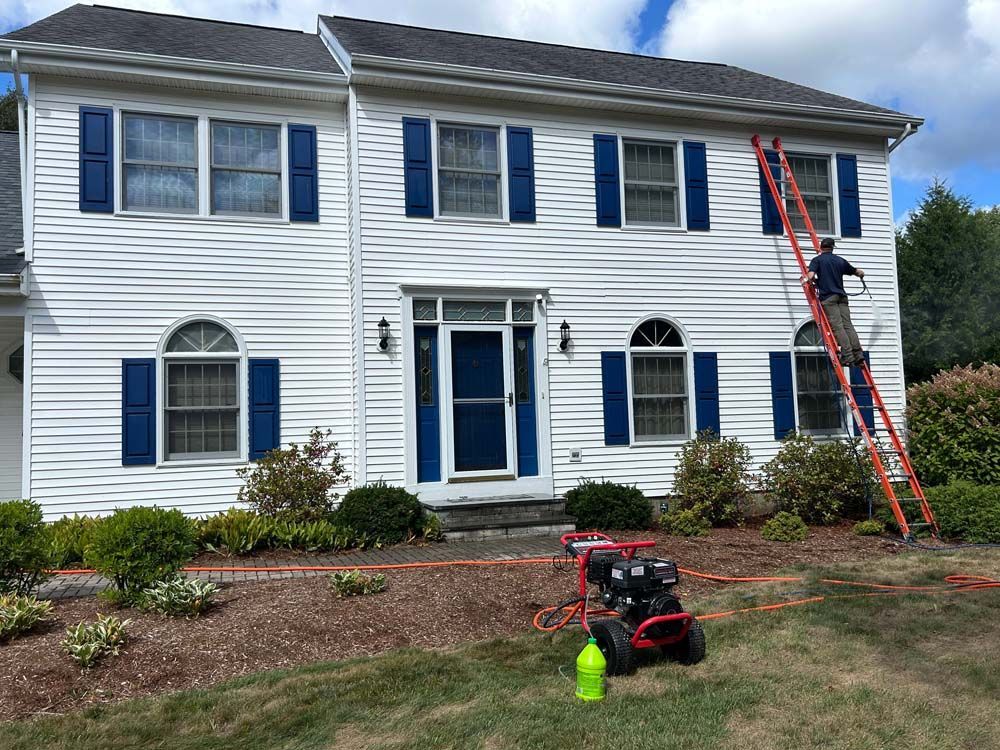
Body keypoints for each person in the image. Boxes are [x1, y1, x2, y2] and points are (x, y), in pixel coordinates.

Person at [806, 237, 866, 367]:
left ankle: (848, 356)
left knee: (838, 327)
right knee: (848, 326)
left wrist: (811, 280)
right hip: (842, 297)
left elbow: (810, 276)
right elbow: (857, 272)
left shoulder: (817, 260)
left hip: (829, 298)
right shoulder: (840, 260)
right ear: (832, 248)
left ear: (821, 247)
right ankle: (858, 355)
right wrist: (861, 274)